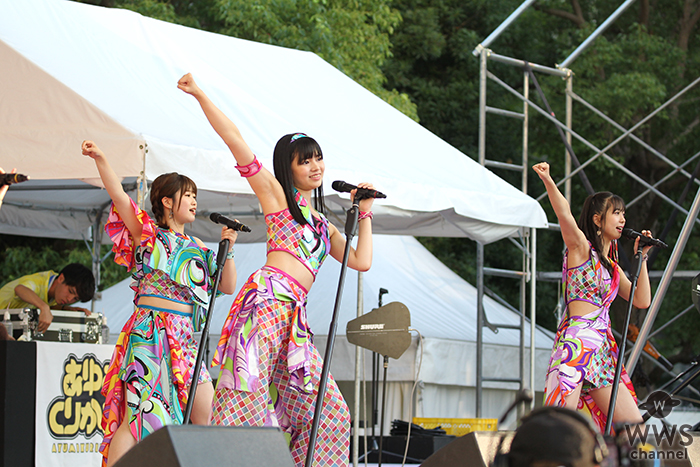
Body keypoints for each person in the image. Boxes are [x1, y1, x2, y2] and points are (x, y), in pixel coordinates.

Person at [178, 73, 374, 466]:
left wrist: (364, 215)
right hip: (266, 304)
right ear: (289, 168)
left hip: (294, 322)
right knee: (242, 403)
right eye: (306, 160)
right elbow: (236, 141)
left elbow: (360, 261)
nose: (316, 166)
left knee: (330, 413)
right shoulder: (279, 199)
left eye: (318, 157)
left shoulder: (325, 224)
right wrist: (200, 95)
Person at [82, 140, 239, 467]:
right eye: (188, 195)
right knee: (139, 416)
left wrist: (229, 246)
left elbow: (226, 285)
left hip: (184, 339)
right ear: (167, 201)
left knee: (208, 414)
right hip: (150, 333)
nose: (195, 201)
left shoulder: (197, 246)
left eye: (196, 195)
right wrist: (101, 158)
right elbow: (120, 198)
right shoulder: (148, 234)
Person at [534, 162, 651, 433]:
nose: (623, 220)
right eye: (616, 214)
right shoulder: (580, 249)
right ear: (598, 219)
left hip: (602, 352)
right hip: (578, 347)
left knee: (634, 430)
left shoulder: (611, 266)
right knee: (559, 428)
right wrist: (549, 181)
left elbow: (641, 299)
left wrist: (642, 258)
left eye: (624, 214)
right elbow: (564, 215)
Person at [0, 263, 95, 334]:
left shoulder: (56, 293)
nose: (70, 299)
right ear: (61, 278)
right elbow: (20, 289)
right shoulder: (38, 282)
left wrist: (69, 309)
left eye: (75, 299)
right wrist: (44, 308)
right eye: (70, 291)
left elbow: (46, 305)